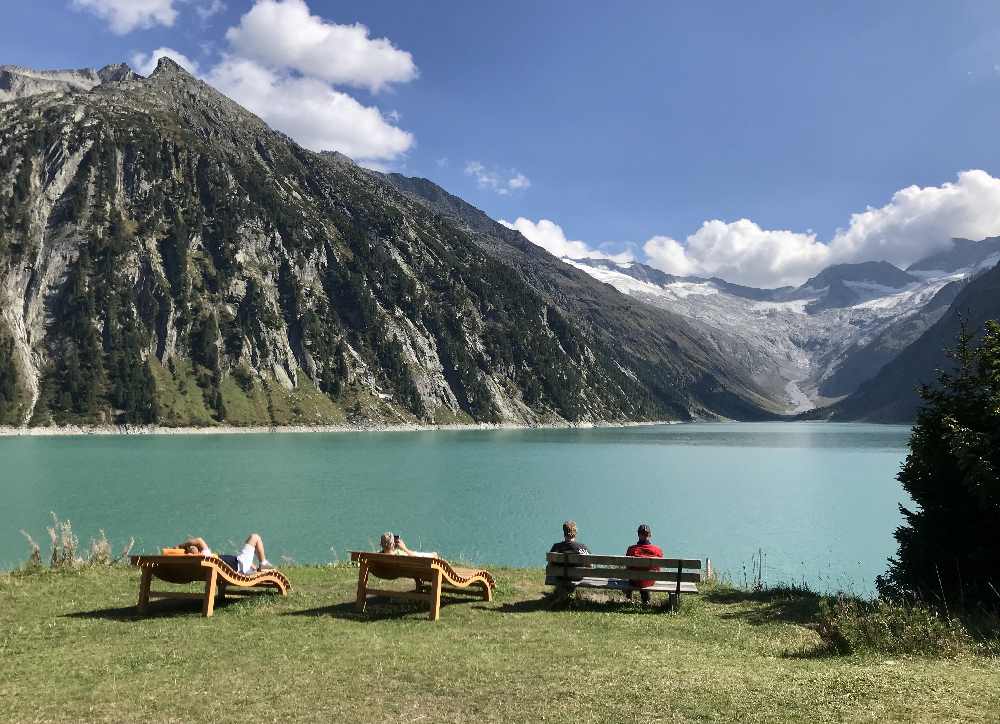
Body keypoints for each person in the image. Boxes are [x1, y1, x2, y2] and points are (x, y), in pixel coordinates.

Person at [179, 533, 274, 574]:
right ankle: (263, 563)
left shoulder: (203, 561)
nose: (193, 547)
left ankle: (254, 565)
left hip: (239, 564)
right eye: (192, 548)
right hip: (239, 564)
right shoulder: (205, 557)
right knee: (255, 537)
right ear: (193, 554)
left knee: (249, 557)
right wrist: (179, 546)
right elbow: (199, 540)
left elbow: (197, 543)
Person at [625, 523, 663, 604]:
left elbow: (627, 566)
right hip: (650, 581)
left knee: (634, 575)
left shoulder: (631, 549)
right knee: (646, 577)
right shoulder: (657, 550)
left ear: (638, 534)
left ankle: (629, 598)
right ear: (650, 535)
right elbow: (658, 568)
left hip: (634, 581)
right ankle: (646, 601)